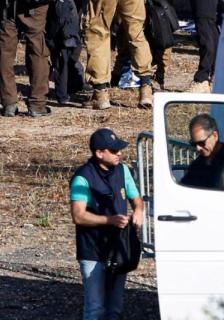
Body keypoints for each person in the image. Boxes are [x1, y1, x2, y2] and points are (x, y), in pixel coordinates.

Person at [70, 128, 144, 320]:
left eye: (119, 149)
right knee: (95, 308)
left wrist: (138, 211)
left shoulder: (123, 170)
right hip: (92, 250)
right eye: (113, 150)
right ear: (99, 153)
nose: (119, 153)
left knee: (115, 308)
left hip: (118, 249)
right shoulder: (82, 177)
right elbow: (78, 216)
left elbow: (136, 199)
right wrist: (109, 220)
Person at [181, 114, 224, 191]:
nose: (198, 148)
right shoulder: (196, 165)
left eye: (201, 143)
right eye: (194, 144)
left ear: (215, 135)